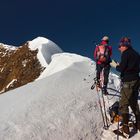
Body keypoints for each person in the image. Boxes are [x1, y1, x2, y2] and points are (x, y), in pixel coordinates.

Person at [110, 37, 140, 136]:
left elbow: (122, 68)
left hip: (128, 81)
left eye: (120, 46)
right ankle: (139, 124)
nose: (119, 48)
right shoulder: (136, 54)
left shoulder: (126, 53)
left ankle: (126, 130)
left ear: (124, 45)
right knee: (133, 102)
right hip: (136, 80)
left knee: (123, 104)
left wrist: (115, 65)